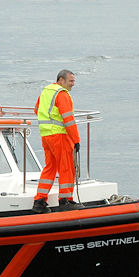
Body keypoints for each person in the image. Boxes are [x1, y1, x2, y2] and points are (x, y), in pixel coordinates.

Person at [32, 69, 83, 213]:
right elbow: (68, 119)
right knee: (66, 168)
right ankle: (65, 200)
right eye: (71, 81)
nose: (73, 84)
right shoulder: (62, 94)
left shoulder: (46, 91)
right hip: (60, 136)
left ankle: (39, 201)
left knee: (50, 168)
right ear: (61, 80)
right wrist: (76, 140)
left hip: (46, 136)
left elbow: (36, 109)